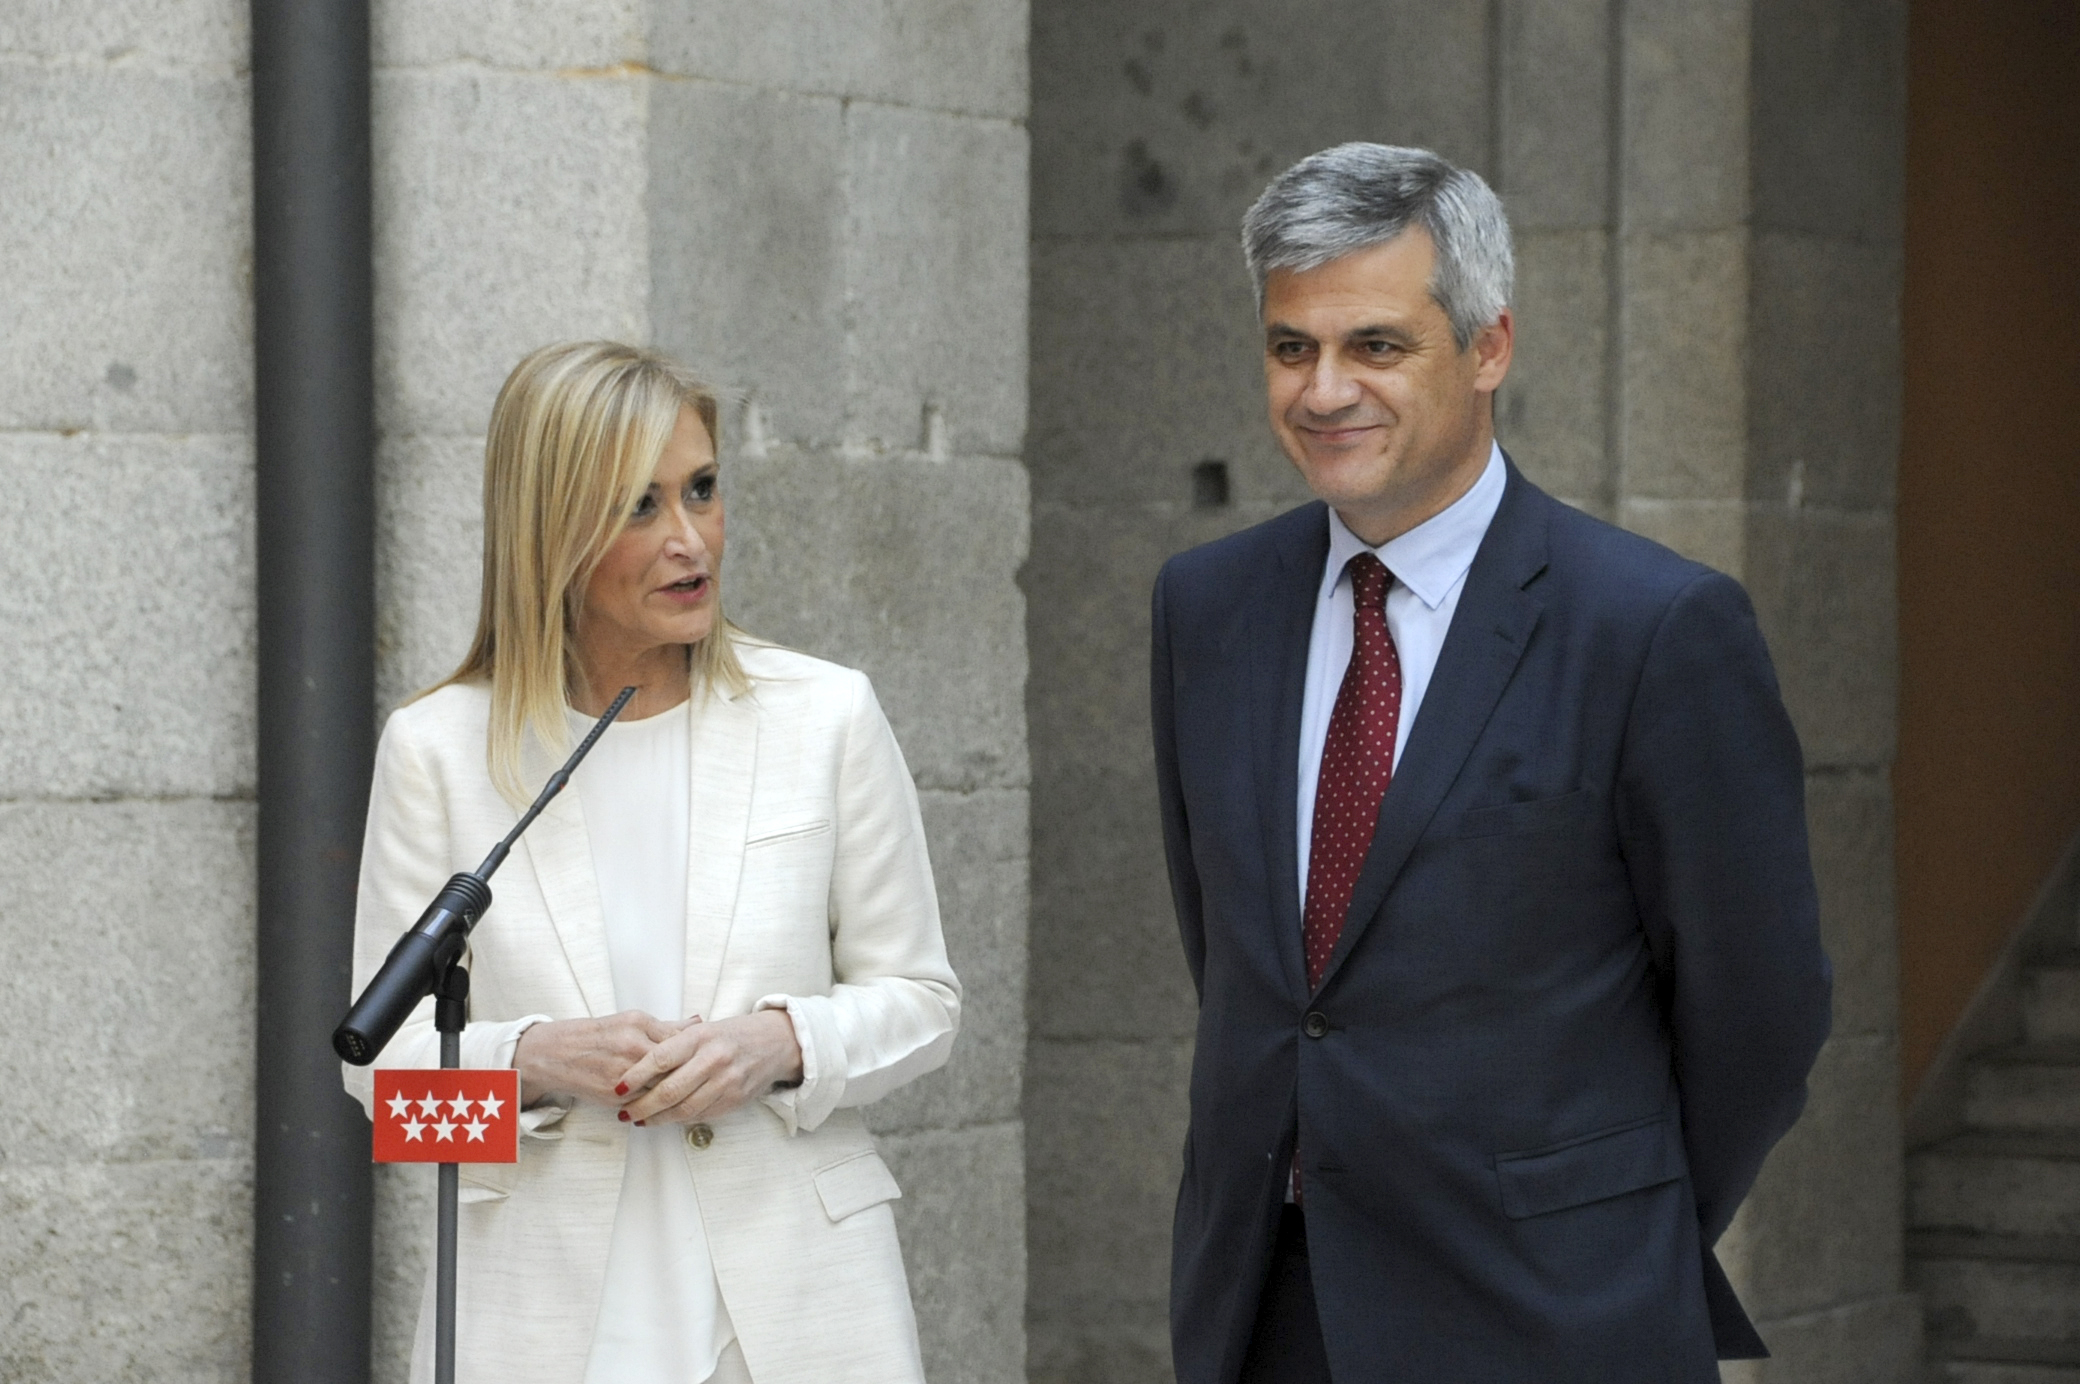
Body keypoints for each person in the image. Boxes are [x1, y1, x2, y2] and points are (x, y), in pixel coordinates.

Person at [1150, 145, 1832, 1383]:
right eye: (1292, 347)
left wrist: (1602, 1223)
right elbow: (1252, 966)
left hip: (1549, 1315)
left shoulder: (1652, 628)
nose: (1324, 390)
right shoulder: (1207, 606)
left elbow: (1760, 1012)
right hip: (1266, 1307)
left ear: (1488, 347)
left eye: (1376, 345)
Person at [343, 340, 960, 1384]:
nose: (690, 538)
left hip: (797, 1314)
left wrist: (778, 1043)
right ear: (551, 529)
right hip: (538, 1323)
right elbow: (383, 1089)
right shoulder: (436, 749)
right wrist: (537, 1059)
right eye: (640, 506)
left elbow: (925, 1006)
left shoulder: (824, 715)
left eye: (702, 489)